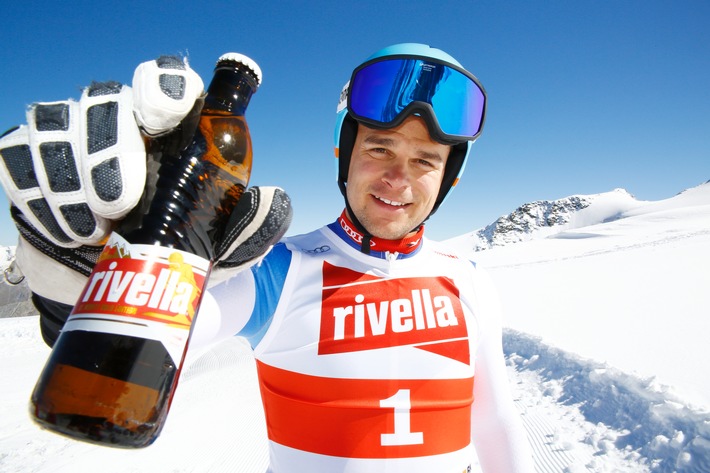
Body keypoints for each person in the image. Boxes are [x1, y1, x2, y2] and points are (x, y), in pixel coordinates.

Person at [0, 43, 534, 472]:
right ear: (344, 153)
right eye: (379, 148)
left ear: (447, 177)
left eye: (425, 161)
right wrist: (81, 294)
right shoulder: (280, 273)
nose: (399, 179)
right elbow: (143, 344)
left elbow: (493, 420)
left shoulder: (467, 281)